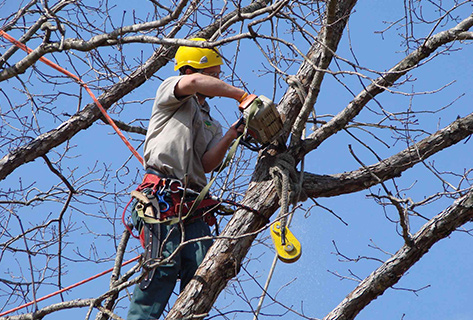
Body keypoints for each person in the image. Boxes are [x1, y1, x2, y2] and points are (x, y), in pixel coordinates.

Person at [127, 38, 252, 320]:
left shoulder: (210, 121)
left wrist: (233, 133)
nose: (218, 81)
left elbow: (207, 163)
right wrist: (241, 96)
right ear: (194, 70)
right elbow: (193, 83)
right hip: (161, 198)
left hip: (193, 207)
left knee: (204, 272)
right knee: (161, 270)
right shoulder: (170, 92)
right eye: (214, 75)